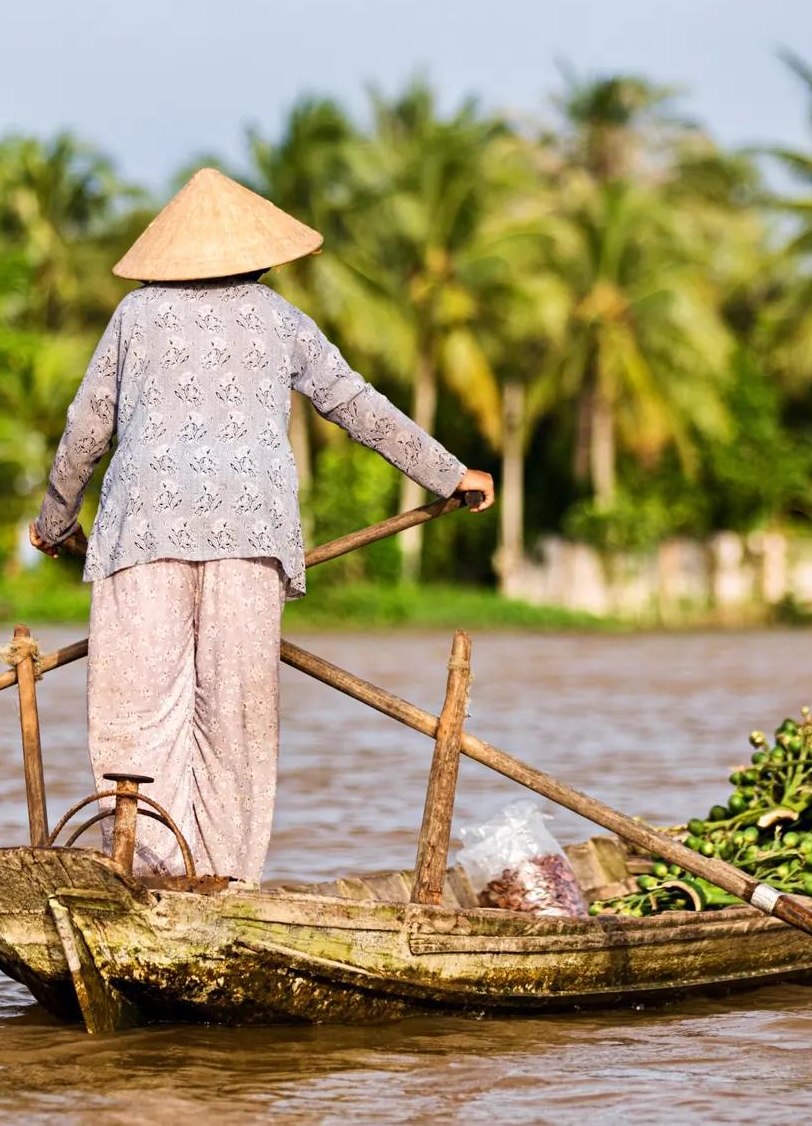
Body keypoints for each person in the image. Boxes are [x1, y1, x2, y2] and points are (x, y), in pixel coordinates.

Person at [30, 168, 495, 883]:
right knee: (235, 727)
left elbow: (86, 428)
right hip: (249, 541)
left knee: (139, 718)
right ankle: (219, 883)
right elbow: (356, 404)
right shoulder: (279, 319)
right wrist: (450, 472)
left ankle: (143, 876)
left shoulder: (135, 315)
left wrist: (55, 519)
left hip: (140, 537)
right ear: (261, 256)